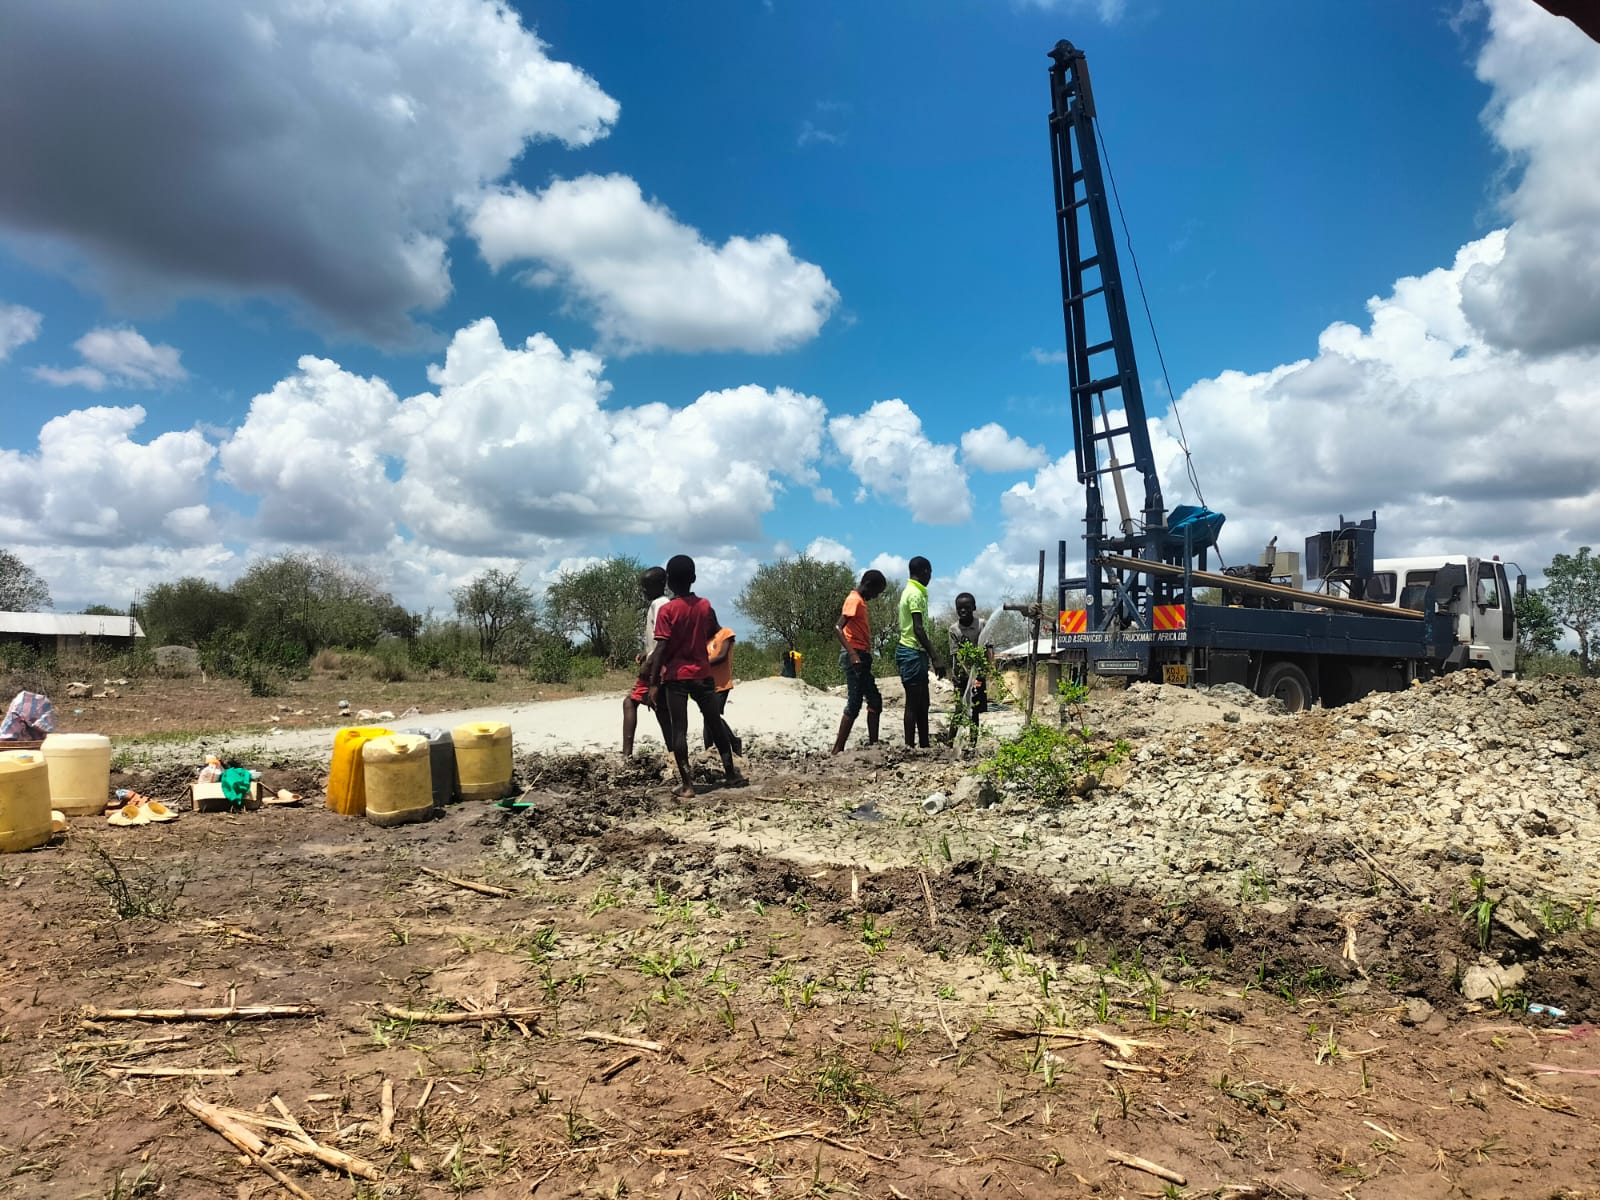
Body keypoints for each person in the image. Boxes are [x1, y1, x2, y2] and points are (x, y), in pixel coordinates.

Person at [644, 555, 745, 798]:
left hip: (676, 677)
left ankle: (688, 784)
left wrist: (653, 683)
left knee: (680, 730)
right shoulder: (704, 606)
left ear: (668, 581)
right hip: (702, 673)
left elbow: (660, 649)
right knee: (714, 722)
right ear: (694, 579)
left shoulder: (667, 611)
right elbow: (714, 630)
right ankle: (730, 774)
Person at [832, 569, 887, 754]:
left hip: (862, 655)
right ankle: (837, 749)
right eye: (877, 592)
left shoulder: (859, 601)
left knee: (874, 700)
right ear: (869, 585)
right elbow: (838, 628)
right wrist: (853, 654)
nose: (876, 596)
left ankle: (873, 746)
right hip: (855, 656)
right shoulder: (854, 600)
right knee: (855, 703)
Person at [621, 566, 671, 758]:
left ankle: (626, 755)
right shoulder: (660, 604)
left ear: (660, 584)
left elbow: (663, 640)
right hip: (658, 663)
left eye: (647, 586)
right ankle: (673, 753)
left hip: (656, 667)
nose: (644, 591)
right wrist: (646, 653)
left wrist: (648, 664)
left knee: (630, 702)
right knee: (661, 711)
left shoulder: (660, 605)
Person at [895, 556, 943, 748]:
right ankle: (909, 747)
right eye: (930, 573)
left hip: (917, 653)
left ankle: (924, 745)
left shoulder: (916, 592)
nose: (930, 577)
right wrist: (935, 656)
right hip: (911, 652)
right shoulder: (914, 593)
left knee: (924, 703)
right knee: (914, 703)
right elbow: (918, 628)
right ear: (925, 571)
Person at [948, 591, 991, 745]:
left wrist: (985, 671)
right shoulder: (954, 630)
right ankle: (950, 740)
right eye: (959, 608)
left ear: (973, 607)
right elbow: (957, 655)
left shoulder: (981, 625)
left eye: (966, 607)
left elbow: (988, 648)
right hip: (961, 677)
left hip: (978, 676)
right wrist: (967, 675)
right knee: (959, 709)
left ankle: (973, 742)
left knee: (975, 709)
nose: (963, 611)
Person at [703, 624, 743, 756]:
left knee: (712, 716)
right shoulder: (705, 639)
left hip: (722, 683)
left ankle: (733, 741)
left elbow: (722, 656)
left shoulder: (726, 633)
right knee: (708, 717)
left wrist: (701, 664)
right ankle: (709, 749)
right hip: (707, 685)